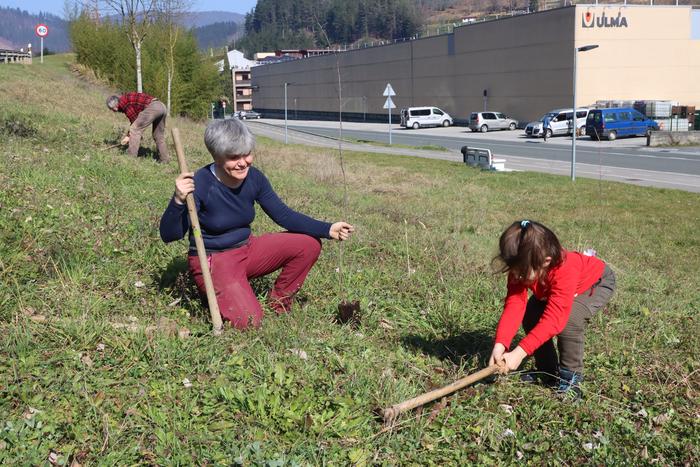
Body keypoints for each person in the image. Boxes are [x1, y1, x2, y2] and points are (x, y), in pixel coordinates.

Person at [159, 119, 354, 329]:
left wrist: (327, 228)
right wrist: (178, 200)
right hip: (215, 260)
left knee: (308, 245)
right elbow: (169, 235)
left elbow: (283, 215)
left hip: (248, 249)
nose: (243, 162)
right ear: (216, 156)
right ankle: (225, 292)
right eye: (234, 157)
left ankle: (279, 303)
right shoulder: (199, 183)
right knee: (250, 321)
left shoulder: (254, 178)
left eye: (247, 154)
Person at [488, 220, 615, 400]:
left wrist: (520, 352)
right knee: (531, 313)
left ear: (546, 261)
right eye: (513, 270)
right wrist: (501, 344)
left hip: (595, 284)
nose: (516, 276)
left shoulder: (565, 269)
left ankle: (570, 380)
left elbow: (554, 320)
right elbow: (515, 304)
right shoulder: (522, 263)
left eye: (522, 273)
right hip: (553, 289)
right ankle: (547, 371)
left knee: (569, 320)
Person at [106, 92, 170, 163]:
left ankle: (130, 158)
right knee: (158, 135)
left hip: (153, 107)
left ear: (114, 106)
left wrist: (128, 136)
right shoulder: (125, 100)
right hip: (162, 107)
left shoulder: (123, 102)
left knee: (135, 130)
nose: (113, 111)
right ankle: (165, 160)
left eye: (112, 109)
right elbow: (137, 121)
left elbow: (134, 121)